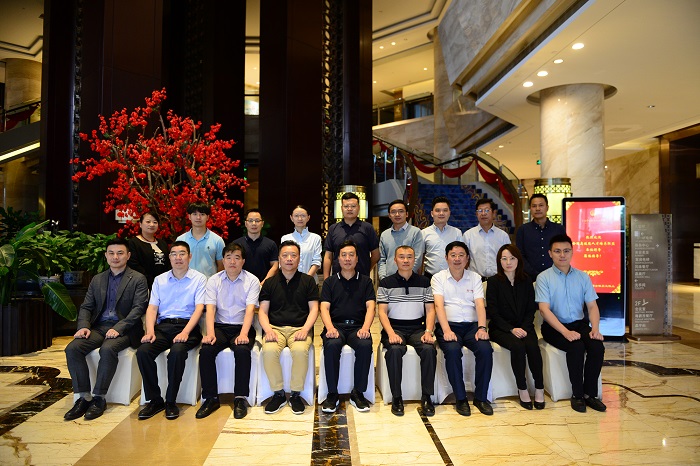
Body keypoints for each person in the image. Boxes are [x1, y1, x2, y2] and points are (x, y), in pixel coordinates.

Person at [64, 238, 149, 421]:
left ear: (128, 255)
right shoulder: (98, 279)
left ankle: (99, 398)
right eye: (111, 253)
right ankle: (83, 397)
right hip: (99, 327)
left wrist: (119, 328)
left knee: (108, 348)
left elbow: (139, 308)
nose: (115, 257)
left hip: (126, 329)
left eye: (120, 253)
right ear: (106, 255)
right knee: (73, 348)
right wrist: (83, 326)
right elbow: (86, 306)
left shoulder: (138, 279)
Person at [136, 241, 207, 420]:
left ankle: (170, 401)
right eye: (174, 254)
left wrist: (185, 332)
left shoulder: (199, 279)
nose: (178, 258)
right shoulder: (160, 280)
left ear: (190, 256)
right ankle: (155, 400)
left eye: (182, 253)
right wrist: (150, 331)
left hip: (188, 327)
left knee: (176, 352)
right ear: (169, 257)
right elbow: (152, 308)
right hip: (164, 327)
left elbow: (199, 309)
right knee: (143, 352)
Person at [535, 234, 606, 413]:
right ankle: (577, 395)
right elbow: (544, 310)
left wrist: (595, 329)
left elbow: (592, 306)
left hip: (579, 324)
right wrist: (565, 332)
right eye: (557, 251)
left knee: (597, 347)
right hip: (554, 327)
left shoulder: (583, 277)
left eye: (566, 251)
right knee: (576, 347)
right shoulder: (544, 278)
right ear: (550, 253)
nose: (562, 255)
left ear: (572, 252)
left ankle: (590, 394)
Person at [195, 243, 259, 420]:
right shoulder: (214, 280)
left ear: (243, 261)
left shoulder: (252, 280)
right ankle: (211, 398)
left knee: (242, 351)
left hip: (242, 326)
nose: (232, 262)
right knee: (206, 351)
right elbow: (210, 309)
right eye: (228, 257)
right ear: (223, 260)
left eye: (237, 257)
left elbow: (250, 310)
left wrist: (244, 334)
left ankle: (240, 398)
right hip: (220, 326)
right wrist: (210, 333)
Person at [432, 241, 494, 416]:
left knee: (485, 350)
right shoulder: (438, 278)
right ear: (446, 258)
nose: (457, 259)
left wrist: (482, 328)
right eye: (453, 255)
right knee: (452, 351)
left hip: (472, 327)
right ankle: (460, 398)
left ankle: (481, 398)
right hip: (448, 326)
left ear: (467, 259)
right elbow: (438, 306)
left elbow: (480, 305)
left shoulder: (474, 278)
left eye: (461, 255)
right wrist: (446, 330)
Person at [258, 240, 319, 415]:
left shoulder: (308, 281)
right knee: (269, 351)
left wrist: (305, 329)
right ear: (279, 258)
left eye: (293, 255)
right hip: (274, 328)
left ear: (299, 259)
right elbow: (262, 311)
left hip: (300, 329)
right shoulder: (269, 283)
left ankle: (295, 394)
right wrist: (268, 330)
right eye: (285, 255)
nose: (289, 259)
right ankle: (278, 394)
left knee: (300, 351)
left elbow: (314, 309)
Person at [377, 245, 437, 417]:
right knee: (395, 350)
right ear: (395, 260)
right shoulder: (386, 283)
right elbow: (382, 312)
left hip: (418, 328)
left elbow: (430, 310)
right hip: (394, 328)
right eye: (401, 257)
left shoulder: (424, 282)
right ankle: (397, 397)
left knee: (429, 349)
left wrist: (428, 331)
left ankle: (427, 397)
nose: (405, 260)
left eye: (409, 257)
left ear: (415, 260)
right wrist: (390, 333)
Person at [486, 244, 545, 410]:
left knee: (532, 347)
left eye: (512, 258)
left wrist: (524, 328)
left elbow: (530, 309)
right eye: (504, 259)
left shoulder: (526, 280)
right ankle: (522, 388)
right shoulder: (493, 282)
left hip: (525, 326)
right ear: (499, 261)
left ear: (518, 260)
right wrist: (511, 329)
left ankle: (539, 388)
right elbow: (493, 313)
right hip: (501, 328)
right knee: (518, 346)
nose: (508, 262)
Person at [320, 240, 375, 413]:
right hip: (336, 326)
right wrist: (330, 328)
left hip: (358, 327)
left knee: (365, 345)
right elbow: (324, 308)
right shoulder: (330, 282)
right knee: (332, 345)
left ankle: (358, 392)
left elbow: (371, 307)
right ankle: (332, 394)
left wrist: (365, 328)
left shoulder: (366, 282)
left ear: (357, 259)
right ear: (338, 259)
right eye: (343, 255)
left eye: (351, 255)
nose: (347, 258)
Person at [323, 192, 379, 278]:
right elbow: (328, 256)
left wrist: (366, 269)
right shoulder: (333, 229)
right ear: (341, 208)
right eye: (346, 206)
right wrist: (326, 279)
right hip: (338, 279)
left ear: (358, 208)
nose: (349, 209)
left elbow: (376, 254)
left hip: (362, 279)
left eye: (353, 206)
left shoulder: (367, 228)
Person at [515, 194, 566, 280]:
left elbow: (563, 252)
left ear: (547, 208)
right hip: (529, 279)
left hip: (555, 277)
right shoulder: (523, 230)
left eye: (541, 205)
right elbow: (520, 255)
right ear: (530, 208)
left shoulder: (558, 229)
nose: (537, 209)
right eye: (534, 206)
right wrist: (534, 274)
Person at [463, 198, 511, 280]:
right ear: (476, 214)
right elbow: (464, 260)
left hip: (498, 280)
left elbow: (509, 259)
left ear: (494, 213)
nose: (483, 214)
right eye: (480, 211)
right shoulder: (468, 235)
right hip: (475, 280)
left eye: (487, 210)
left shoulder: (503, 236)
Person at [378, 199, 424, 280]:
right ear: (389, 215)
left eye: (401, 211)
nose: (397, 214)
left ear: (406, 214)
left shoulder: (416, 232)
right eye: (393, 212)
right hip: (389, 280)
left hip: (409, 279)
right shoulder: (385, 235)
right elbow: (382, 260)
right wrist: (383, 278)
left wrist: (405, 277)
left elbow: (417, 258)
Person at [176, 203, 225, 278]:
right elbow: (176, 264)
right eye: (195, 214)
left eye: (202, 214)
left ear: (207, 217)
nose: (198, 217)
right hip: (186, 283)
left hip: (209, 283)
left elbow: (221, 267)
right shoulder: (181, 240)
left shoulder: (217, 240)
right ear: (189, 216)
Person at [421, 196, 463, 280]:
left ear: (449, 213)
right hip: (430, 277)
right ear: (432, 213)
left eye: (445, 210)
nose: (441, 213)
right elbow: (420, 257)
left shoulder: (457, 233)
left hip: (452, 277)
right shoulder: (424, 233)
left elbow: (461, 256)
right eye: (437, 210)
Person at [233, 209, 279, 284]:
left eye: (257, 221)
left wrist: (263, 283)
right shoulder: (236, 244)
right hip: (241, 285)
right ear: (246, 224)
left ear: (262, 223)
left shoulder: (271, 244)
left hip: (265, 286)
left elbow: (275, 265)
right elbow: (233, 264)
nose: (254, 224)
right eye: (250, 221)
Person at [127, 211, 171, 289]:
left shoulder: (162, 243)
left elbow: (168, 263)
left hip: (163, 284)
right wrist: (152, 281)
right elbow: (134, 265)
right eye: (148, 222)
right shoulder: (133, 243)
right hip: (143, 285)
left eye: (155, 222)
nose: (152, 225)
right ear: (140, 224)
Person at [280, 205, 322, 283]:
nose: (300, 219)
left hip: (311, 282)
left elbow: (317, 262)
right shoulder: (285, 238)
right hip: (290, 281)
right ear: (291, 218)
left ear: (308, 217)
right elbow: (282, 261)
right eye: (296, 216)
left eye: (303, 216)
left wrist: (306, 280)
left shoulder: (315, 238)